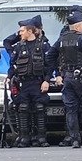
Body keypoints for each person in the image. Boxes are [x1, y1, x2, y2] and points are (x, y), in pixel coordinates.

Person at [50, 11, 82, 148]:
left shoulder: (61, 40)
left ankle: (74, 140)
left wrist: (58, 73)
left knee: (71, 110)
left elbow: (50, 56)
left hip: (67, 77)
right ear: (79, 27)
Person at [7, 15, 51, 148]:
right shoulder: (19, 47)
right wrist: (9, 78)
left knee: (40, 109)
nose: (20, 33)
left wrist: (47, 81)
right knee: (23, 109)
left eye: (22, 31)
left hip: (38, 83)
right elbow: (13, 65)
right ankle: (24, 137)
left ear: (30, 31)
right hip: (23, 84)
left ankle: (41, 137)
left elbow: (50, 65)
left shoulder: (44, 46)